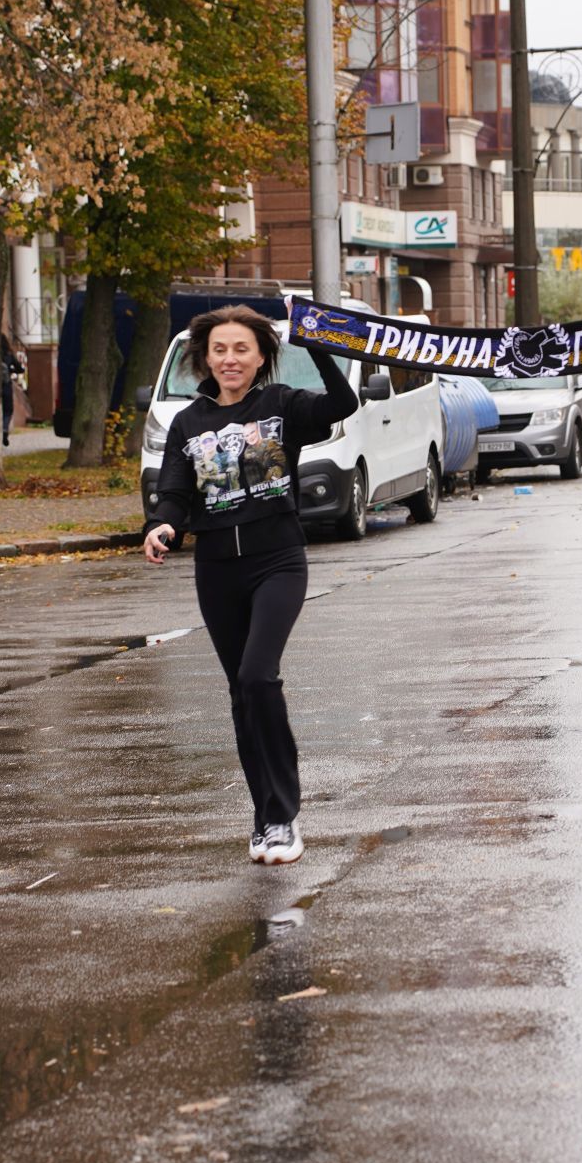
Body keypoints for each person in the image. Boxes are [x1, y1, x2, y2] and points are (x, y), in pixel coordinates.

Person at [142, 305, 359, 866]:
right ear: (205, 358)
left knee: (258, 677)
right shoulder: (187, 422)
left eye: (241, 349)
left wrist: (317, 343)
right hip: (217, 570)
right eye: (220, 350)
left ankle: (284, 816)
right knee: (241, 695)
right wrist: (162, 525)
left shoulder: (282, 405)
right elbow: (175, 491)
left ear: (261, 356)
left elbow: (342, 404)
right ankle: (264, 818)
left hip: (277, 562)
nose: (230, 359)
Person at [0, 332, 24, 447]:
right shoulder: (9, 355)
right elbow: (21, 369)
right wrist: (11, 370)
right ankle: (4, 428)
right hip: (6, 385)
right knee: (8, 410)